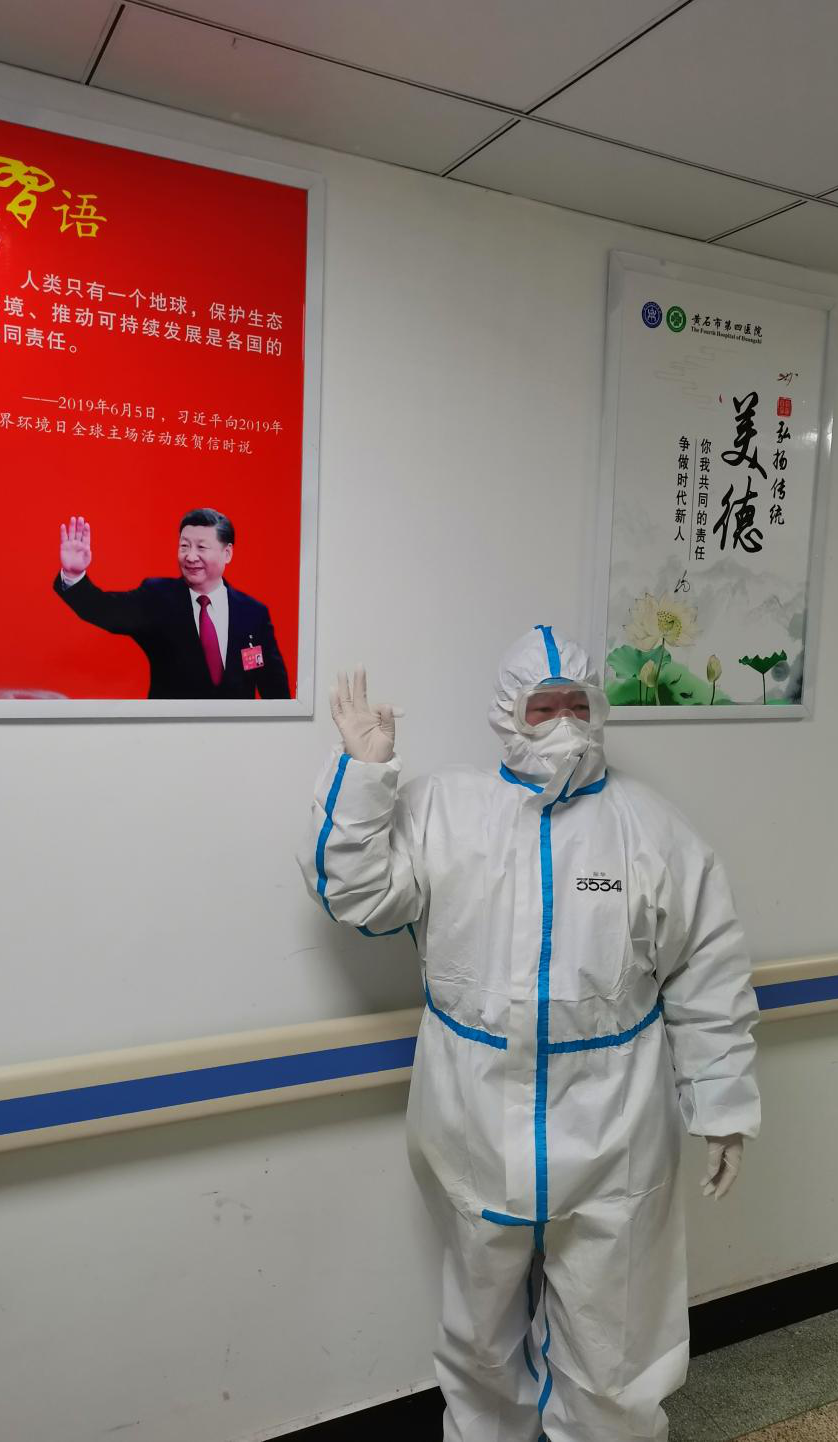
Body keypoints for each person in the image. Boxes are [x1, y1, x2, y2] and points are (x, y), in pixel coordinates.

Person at [299, 626, 760, 1442]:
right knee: (480, 1341)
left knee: (615, 1345)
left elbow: (707, 970)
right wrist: (368, 775)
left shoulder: (650, 829)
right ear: (506, 713)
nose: (563, 722)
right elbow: (355, 894)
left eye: (577, 704)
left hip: (614, 1126)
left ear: (599, 709)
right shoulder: (445, 811)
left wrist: (720, 1101)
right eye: (542, 707)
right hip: (472, 1121)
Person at [53, 507, 290, 700]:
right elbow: (106, 610)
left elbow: (274, 687)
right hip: (170, 735)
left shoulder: (252, 613)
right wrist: (74, 575)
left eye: (201, 547)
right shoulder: (158, 598)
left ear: (227, 553)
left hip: (236, 737)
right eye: (184, 546)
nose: (190, 556)